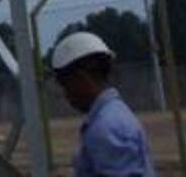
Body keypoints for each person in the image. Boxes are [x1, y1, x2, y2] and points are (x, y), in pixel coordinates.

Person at [51, 31, 157, 177]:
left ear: (81, 79)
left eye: (65, 84)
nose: (65, 94)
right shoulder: (113, 115)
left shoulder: (106, 129)